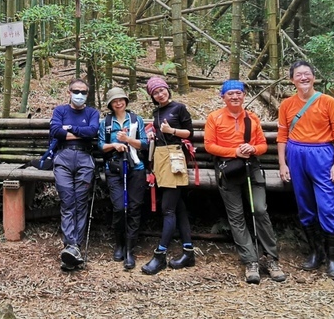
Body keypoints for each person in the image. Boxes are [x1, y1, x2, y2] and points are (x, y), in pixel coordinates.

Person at [204, 80, 286, 284]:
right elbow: (209, 145)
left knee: (259, 209)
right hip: (228, 170)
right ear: (223, 97)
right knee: (237, 216)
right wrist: (234, 152)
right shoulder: (215, 118)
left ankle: (272, 258)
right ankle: (251, 261)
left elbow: (262, 145)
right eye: (230, 93)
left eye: (238, 93)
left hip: (251, 167)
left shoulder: (251, 118)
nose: (235, 97)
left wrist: (253, 149)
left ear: (243, 96)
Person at [277, 60, 334, 280]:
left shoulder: (328, 102)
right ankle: (315, 252)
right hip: (296, 154)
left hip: (322, 155)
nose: (303, 78)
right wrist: (282, 163)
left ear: (314, 77)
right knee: (305, 205)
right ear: (292, 80)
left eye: (307, 74)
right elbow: (282, 136)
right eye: (298, 75)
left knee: (326, 206)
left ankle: (333, 259)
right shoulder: (287, 105)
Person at [141, 76, 196, 275]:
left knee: (167, 209)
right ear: (152, 96)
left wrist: (171, 129)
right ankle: (188, 252)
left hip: (174, 158)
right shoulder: (156, 112)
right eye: (155, 93)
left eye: (162, 90)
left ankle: (160, 255)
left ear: (167, 90)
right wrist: (153, 134)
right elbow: (159, 134)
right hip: (161, 157)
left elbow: (190, 133)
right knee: (178, 207)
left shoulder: (179, 108)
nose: (160, 94)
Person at [50, 78, 100, 271]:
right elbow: (55, 131)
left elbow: (93, 131)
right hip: (63, 158)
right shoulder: (60, 111)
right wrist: (81, 132)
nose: (79, 94)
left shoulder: (92, 112)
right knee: (68, 201)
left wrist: (69, 129)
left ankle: (74, 247)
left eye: (83, 92)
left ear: (87, 94)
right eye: (76, 91)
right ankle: (70, 245)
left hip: (85, 159)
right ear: (69, 92)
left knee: (81, 201)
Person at [97, 86, 148, 271]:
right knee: (119, 208)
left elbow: (144, 143)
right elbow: (101, 145)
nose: (119, 103)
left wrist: (127, 140)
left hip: (136, 168)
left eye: (121, 99)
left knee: (134, 208)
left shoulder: (136, 120)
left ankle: (129, 249)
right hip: (115, 169)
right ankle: (118, 243)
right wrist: (115, 145)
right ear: (110, 104)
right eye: (115, 100)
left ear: (126, 101)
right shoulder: (106, 122)